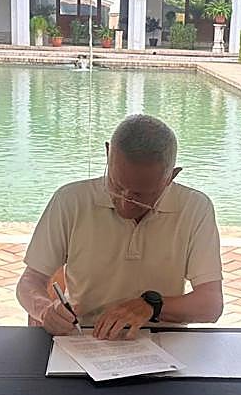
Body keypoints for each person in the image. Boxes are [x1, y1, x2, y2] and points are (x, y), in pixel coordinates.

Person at [17, 114, 223, 339]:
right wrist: (45, 309)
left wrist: (152, 306)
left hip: (163, 340)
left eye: (139, 195)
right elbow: (30, 282)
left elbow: (211, 305)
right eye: (116, 185)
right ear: (108, 153)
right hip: (87, 339)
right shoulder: (71, 200)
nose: (125, 203)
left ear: (170, 177)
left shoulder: (194, 208)